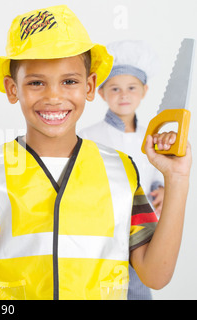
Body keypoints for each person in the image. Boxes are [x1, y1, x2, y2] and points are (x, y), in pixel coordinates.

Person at [0, 5, 191, 300]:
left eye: (69, 81)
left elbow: (155, 275)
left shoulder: (121, 171)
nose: (54, 96)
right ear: (12, 89)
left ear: (90, 85)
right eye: (36, 82)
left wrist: (177, 180)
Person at [79, 40, 164, 300]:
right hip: (101, 233)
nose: (124, 95)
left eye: (131, 88)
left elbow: (156, 174)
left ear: (144, 90)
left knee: (138, 285)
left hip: (142, 231)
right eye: (115, 88)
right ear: (102, 93)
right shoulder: (87, 137)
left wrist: (161, 188)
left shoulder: (151, 138)